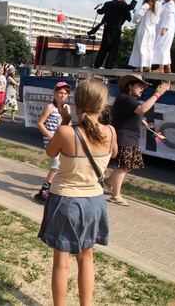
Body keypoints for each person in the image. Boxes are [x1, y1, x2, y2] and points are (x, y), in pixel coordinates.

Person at [38, 78, 117, 306]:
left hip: (65, 200)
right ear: (103, 105)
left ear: (77, 104)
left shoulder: (65, 133)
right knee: (87, 258)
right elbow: (113, 154)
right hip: (94, 201)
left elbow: (50, 152)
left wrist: (65, 122)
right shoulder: (110, 132)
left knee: (62, 262)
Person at [106, 74, 170, 206]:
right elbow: (142, 109)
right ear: (130, 85)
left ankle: (109, 181)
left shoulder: (128, 100)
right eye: (140, 86)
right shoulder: (126, 98)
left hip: (131, 138)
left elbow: (134, 114)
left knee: (127, 166)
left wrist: (142, 122)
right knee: (124, 166)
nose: (142, 89)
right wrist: (157, 94)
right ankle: (116, 195)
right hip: (125, 138)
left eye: (144, 88)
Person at [34, 81, 72, 203]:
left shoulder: (67, 108)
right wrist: (50, 136)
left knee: (64, 165)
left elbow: (68, 124)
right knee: (56, 166)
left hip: (63, 140)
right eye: (60, 93)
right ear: (55, 93)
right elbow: (40, 123)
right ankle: (44, 190)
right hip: (52, 140)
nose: (62, 95)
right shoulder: (50, 107)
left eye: (65, 93)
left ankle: (57, 188)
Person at [94, 0, 138, 69]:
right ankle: (109, 65)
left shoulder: (108, 4)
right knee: (113, 48)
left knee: (104, 47)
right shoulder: (121, 4)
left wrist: (99, 7)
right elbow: (131, 7)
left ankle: (97, 64)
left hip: (107, 28)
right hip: (116, 29)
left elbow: (100, 12)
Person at [128, 0, 160, 72]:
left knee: (142, 47)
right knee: (149, 48)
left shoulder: (146, 5)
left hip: (144, 29)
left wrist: (135, 12)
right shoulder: (157, 6)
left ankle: (141, 66)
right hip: (152, 30)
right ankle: (148, 66)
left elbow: (138, 16)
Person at [152, 0, 175, 73]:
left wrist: (164, 28)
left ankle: (161, 67)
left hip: (166, 28)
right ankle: (167, 66)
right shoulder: (165, 4)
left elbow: (169, 17)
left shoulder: (170, 4)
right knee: (163, 46)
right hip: (161, 27)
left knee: (162, 46)